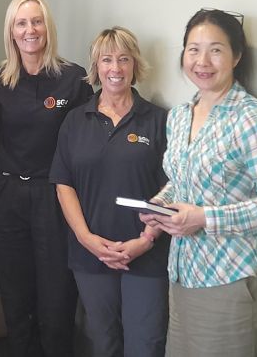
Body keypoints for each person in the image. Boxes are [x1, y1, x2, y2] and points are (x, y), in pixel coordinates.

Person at [139, 9, 257, 357]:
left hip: (234, 275)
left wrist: (204, 218)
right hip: (184, 270)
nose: (202, 61)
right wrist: (160, 206)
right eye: (193, 49)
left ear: (236, 56)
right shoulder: (181, 115)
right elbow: (181, 180)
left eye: (215, 50)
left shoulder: (253, 118)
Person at [50, 27, 169, 357]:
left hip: (147, 254)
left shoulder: (158, 120)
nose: (115, 68)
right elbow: (64, 184)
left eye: (123, 59)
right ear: (96, 66)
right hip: (91, 253)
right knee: (103, 341)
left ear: (135, 65)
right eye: (107, 60)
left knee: (146, 342)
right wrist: (86, 238)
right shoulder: (75, 121)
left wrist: (145, 241)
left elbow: (170, 186)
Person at [0, 0, 93, 357]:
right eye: (21, 23)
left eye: (37, 21)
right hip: (7, 197)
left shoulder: (73, 79)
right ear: (11, 31)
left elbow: (85, 144)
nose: (30, 30)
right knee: (16, 296)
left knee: (56, 297)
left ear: (47, 27)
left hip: (54, 198)